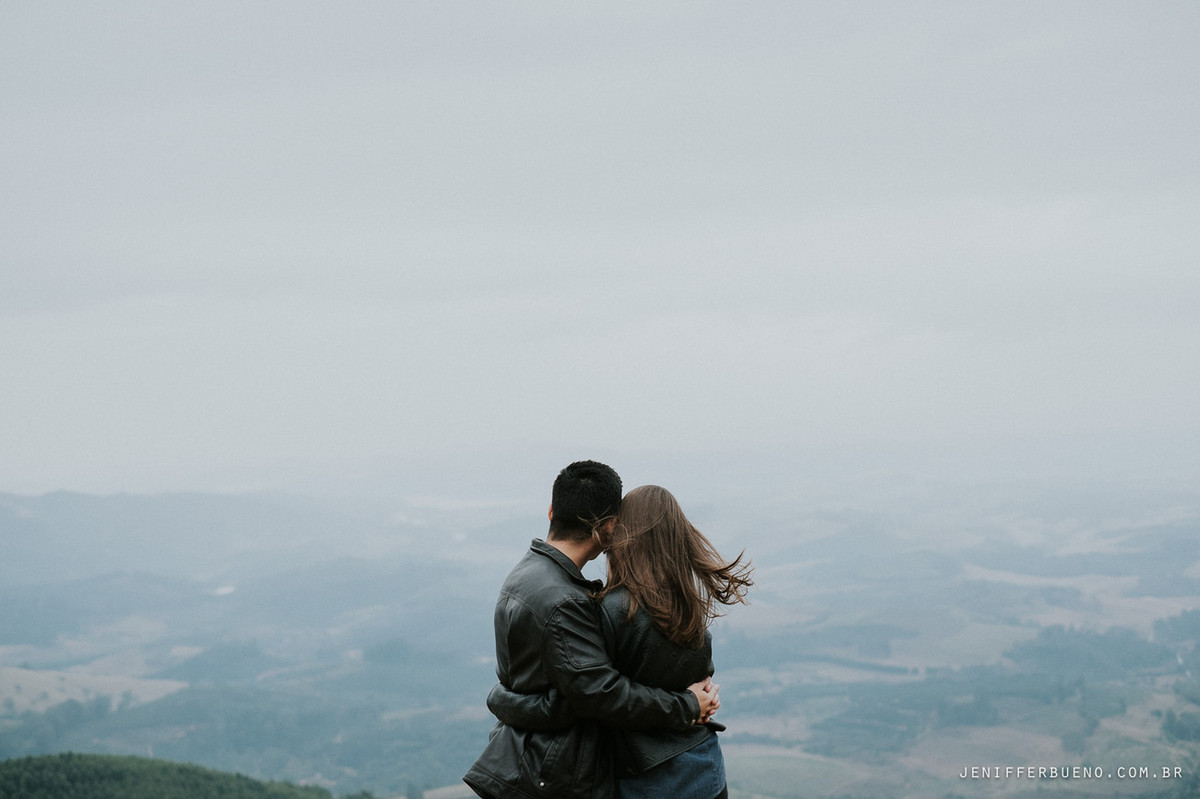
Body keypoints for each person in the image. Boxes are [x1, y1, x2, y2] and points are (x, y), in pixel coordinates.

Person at [463, 462, 720, 799]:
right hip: (558, 774)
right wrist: (687, 705)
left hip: (537, 766)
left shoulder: (523, 574)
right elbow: (601, 696)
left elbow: (577, 691)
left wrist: (504, 698)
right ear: (610, 526)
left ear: (552, 510)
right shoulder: (567, 600)